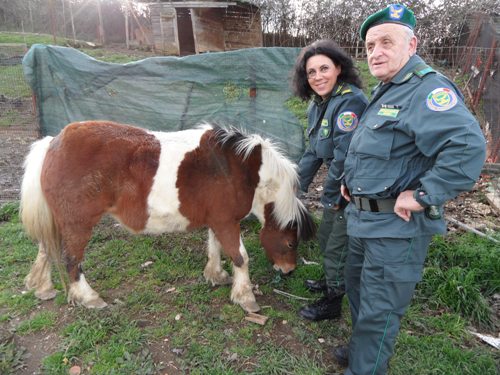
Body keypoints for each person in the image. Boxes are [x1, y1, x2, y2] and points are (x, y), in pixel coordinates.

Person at [337, 4, 487, 374]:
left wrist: (422, 195)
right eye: (370, 46)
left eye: (386, 42)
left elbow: (467, 147)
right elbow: (384, 151)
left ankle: (367, 367)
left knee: (379, 308)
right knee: (358, 293)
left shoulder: (426, 89)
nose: (376, 52)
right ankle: (363, 351)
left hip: (395, 229)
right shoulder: (388, 90)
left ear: (412, 44)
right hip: (364, 220)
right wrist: (351, 183)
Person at [291, 40, 368, 321]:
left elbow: (343, 157)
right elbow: (314, 150)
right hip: (338, 185)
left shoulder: (350, 101)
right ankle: (331, 281)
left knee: (336, 242)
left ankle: (333, 302)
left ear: (338, 68)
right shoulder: (319, 103)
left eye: (324, 68)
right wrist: (294, 186)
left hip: (351, 188)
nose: (317, 77)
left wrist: (332, 196)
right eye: (311, 72)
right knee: (326, 236)